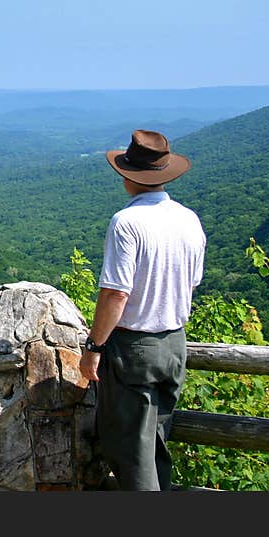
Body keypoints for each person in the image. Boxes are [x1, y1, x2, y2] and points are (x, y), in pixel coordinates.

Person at [79, 129, 206, 491]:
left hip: (134, 349)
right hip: (175, 345)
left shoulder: (127, 223)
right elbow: (192, 282)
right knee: (156, 444)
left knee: (131, 452)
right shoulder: (189, 219)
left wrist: (94, 347)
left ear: (128, 176)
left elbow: (116, 294)